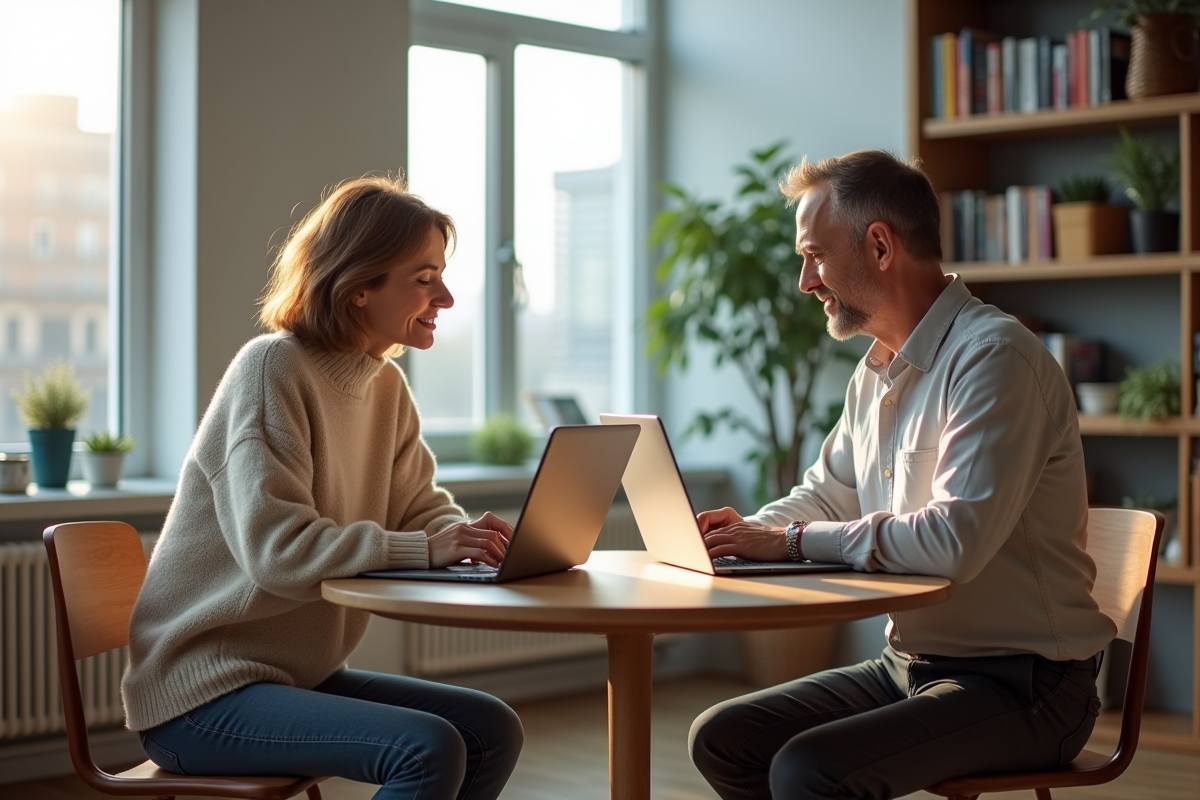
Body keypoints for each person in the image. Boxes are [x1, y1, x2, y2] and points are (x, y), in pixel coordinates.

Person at [689, 150, 1114, 800]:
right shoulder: (875, 372)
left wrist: (791, 543)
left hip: (1027, 683)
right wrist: (747, 531)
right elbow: (826, 495)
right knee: (723, 737)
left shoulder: (993, 359)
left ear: (880, 246)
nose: (806, 280)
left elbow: (954, 543)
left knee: (809, 770)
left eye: (815, 255)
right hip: (909, 665)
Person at [122, 176, 523, 800]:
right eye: (424, 278)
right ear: (360, 285)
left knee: (489, 728)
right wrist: (428, 550)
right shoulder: (271, 369)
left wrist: (475, 538)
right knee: (429, 748)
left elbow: (419, 508)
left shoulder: (385, 386)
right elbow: (278, 553)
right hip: (201, 695)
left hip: (295, 677)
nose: (445, 295)